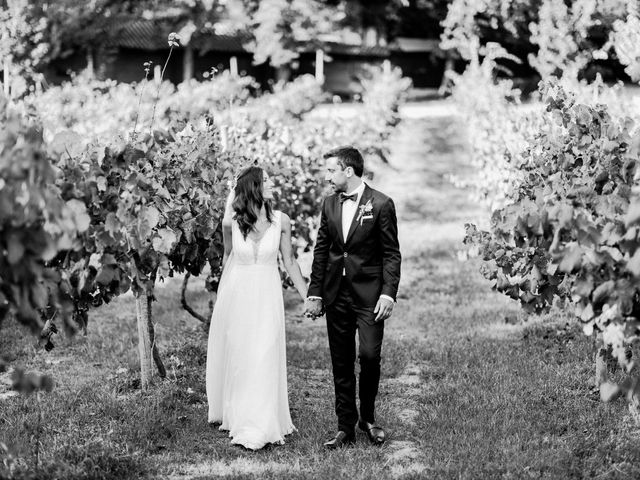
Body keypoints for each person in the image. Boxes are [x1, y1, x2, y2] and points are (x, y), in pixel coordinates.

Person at [304, 146, 401, 449]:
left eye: (330, 170)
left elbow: (391, 254)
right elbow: (322, 250)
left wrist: (388, 293)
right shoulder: (329, 204)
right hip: (336, 294)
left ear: (348, 171)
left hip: (369, 295)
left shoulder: (381, 204)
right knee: (341, 361)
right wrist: (315, 292)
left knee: (370, 356)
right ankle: (345, 425)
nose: (326, 176)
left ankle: (368, 418)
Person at [206, 165, 308, 450]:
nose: (272, 183)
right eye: (266, 181)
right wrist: (222, 304)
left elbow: (289, 262)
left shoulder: (282, 221)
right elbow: (228, 258)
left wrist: (307, 296)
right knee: (241, 354)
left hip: (267, 294)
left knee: (265, 350)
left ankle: (261, 422)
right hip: (237, 295)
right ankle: (240, 415)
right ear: (254, 187)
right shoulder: (231, 223)